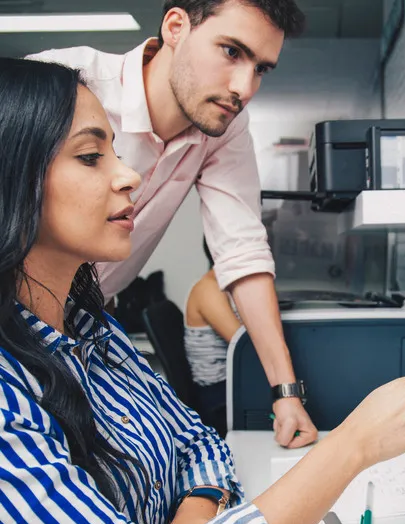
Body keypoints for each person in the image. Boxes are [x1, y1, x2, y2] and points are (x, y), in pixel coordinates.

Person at [0, 58, 405, 524]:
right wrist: (355, 446)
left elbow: (200, 443)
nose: (129, 176)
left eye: (114, 150)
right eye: (91, 157)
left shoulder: (93, 329)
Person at [27, 0, 318, 449]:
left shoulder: (224, 127)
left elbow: (242, 249)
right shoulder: (66, 83)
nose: (244, 87)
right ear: (176, 26)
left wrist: (285, 392)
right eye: (231, 52)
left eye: (262, 69)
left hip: (85, 324)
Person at [184, 238, 241, 438]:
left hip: (230, 384)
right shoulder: (209, 289)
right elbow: (244, 346)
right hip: (218, 393)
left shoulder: (229, 286)